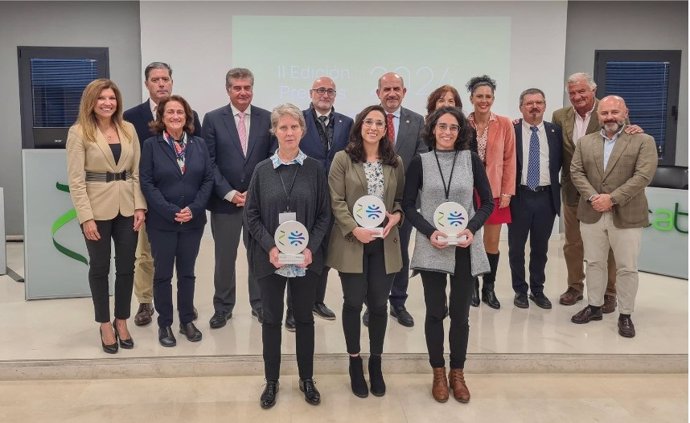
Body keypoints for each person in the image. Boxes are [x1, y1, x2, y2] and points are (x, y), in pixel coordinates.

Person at [403, 106, 493, 403]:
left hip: (465, 246)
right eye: (442, 126)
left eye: (453, 128)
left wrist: (472, 228)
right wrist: (430, 232)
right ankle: (438, 371)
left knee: (460, 314)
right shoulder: (420, 162)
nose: (447, 132)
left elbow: (487, 203)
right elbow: (407, 206)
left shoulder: (471, 160)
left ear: (460, 132)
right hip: (434, 244)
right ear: (433, 129)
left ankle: (458, 372)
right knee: (434, 312)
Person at [244, 103, 331, 408]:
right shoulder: (262, 170)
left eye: (294, 127)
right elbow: (251, 215)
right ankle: (272, 381)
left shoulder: (316, 169)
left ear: (302, 131)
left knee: (305, 319)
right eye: (283, 127)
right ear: (274, 131)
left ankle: (307, 379)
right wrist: (270, 247)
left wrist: (311, 248)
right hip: (272, 260)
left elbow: (324, 215)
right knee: (271, 320)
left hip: (307, 260)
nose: (289, 132)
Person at [327, 105, 405, 398]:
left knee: (378, 306)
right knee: (353, 303)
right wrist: (353, 228)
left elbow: (400, 200)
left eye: (380, 123)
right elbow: (335, 200)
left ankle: (376, 363)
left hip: (384, 243)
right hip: (353, 242)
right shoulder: (343, 159)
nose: (374, 127)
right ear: (360, 126)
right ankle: (354, 361)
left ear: (386, 129)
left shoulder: (394, 161)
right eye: (369, 122)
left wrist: (397, 217)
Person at [66, 78, 146, 353]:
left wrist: (140, 207)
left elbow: (137, 171)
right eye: (101, 98)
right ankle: (104, 324)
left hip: (127, 208)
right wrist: (85, 217)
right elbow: (76, 181)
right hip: (96, 210)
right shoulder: (79, 133)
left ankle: (121, 320)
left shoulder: (128, 129)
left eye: (111, 98)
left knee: (126, 267)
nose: (107, 103)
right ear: (91, 101)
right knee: (99, 268)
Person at [552, 72, 642, 312]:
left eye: (582, 91)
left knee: (610, 245)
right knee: (573, 243)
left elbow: (627, 134)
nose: (577, 96)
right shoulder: (560, 116)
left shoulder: (609, 109)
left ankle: (609, 292)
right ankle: (575, 286)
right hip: (573, 189)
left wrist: (635, 128)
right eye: (572, 93)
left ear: (593, 90)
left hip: (608, 194)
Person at [569, 95, 657, 338]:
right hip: (592, 212)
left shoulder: (642, 140)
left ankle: (625, 314)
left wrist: (612, 198)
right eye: (605, 113)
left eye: (615, 112)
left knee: (627, 267)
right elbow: (576, 172)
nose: (610, 117)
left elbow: (643, 176)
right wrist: (594, 198)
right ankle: (594, 306)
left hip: (626, 214)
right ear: (598, 116)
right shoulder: (585, 142)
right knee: (595, 263)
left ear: (625, 112)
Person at [123, 61, 202, 327]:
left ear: (172, 82)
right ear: (147, 84)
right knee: (146, 254)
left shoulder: (190, 116)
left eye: (165, 79)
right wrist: (142, 202)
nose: (161, 84)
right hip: (148, 198)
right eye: (155, 79)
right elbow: (132, 162)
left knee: (183, 262)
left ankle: (184, 305)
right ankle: (146, 302)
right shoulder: (132, 117)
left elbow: (199, 159)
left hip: (184, 200)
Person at [139, 95, 213, 347]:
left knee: (187, 274)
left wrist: (194, 208)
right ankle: (165, 324)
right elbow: (146, 183)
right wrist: (170, 210)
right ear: (161, 117)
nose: (175, 116)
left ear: (187, 117)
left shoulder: (199, 144)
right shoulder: (151, 145)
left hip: (193, 221)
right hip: (162, 222)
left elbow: (208, 180)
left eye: (180, 112)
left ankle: (186, 321)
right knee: (162, 275)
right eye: (169, 112)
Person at [202, 68, 273, 328]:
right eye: (237, 87)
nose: (242, 92)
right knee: (224, 258)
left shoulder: (268, 118)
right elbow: (208, 162)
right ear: (228, 89)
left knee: (258, 256)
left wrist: (254, 193)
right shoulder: (212, 119)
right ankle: (222, 307)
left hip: (259, 204)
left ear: (252, 89)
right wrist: (230, 193)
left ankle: (260, 305)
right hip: (224, 203)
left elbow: (271, 161)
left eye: (247, 87)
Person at [283, 76, 353, 331]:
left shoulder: (347, 123)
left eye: (330, 91)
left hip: (333, 197)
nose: (325, 94)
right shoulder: (298, 120)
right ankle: (292, 309)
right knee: (298, 250)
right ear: (311, 93)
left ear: (335, 95)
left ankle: (317, 301)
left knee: (322, 252)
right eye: (320, 90)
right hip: (302, 194)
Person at [365, 72, 425, 328]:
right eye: (386, 88)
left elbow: (421, 160)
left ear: (404, 91)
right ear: (378, 92)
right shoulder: (367, 119)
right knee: (372, 254)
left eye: (396, 88)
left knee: (399, 253)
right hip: (371, 203)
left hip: (404, 202)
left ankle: (398, 302)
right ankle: (372, 304)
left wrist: (410, 199)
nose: (391, 93)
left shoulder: (417, 121)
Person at [508, 89, 563, 309]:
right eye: (529, 103)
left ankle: (537, 290)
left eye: (538, 102)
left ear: (545, 105)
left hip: (545, 198)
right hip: (519, 196)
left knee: (540, 248)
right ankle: (520, 290)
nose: (534, 107)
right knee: (516, 248)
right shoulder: (510, 130)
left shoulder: (555, 131)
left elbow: (562, 161)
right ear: (521, 107)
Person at [465, 75, 516, 310]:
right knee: (471, 241)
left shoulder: (504, 124)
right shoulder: (463, 123)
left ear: (493, 98)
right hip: (468, 191)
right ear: (471, 98)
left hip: (495, 192)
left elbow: (509, 159)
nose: (483, 100)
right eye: (479, 96)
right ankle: (472, 286)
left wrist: (507, 191)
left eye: (488, 96)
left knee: (492, 243)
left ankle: (489, 287)